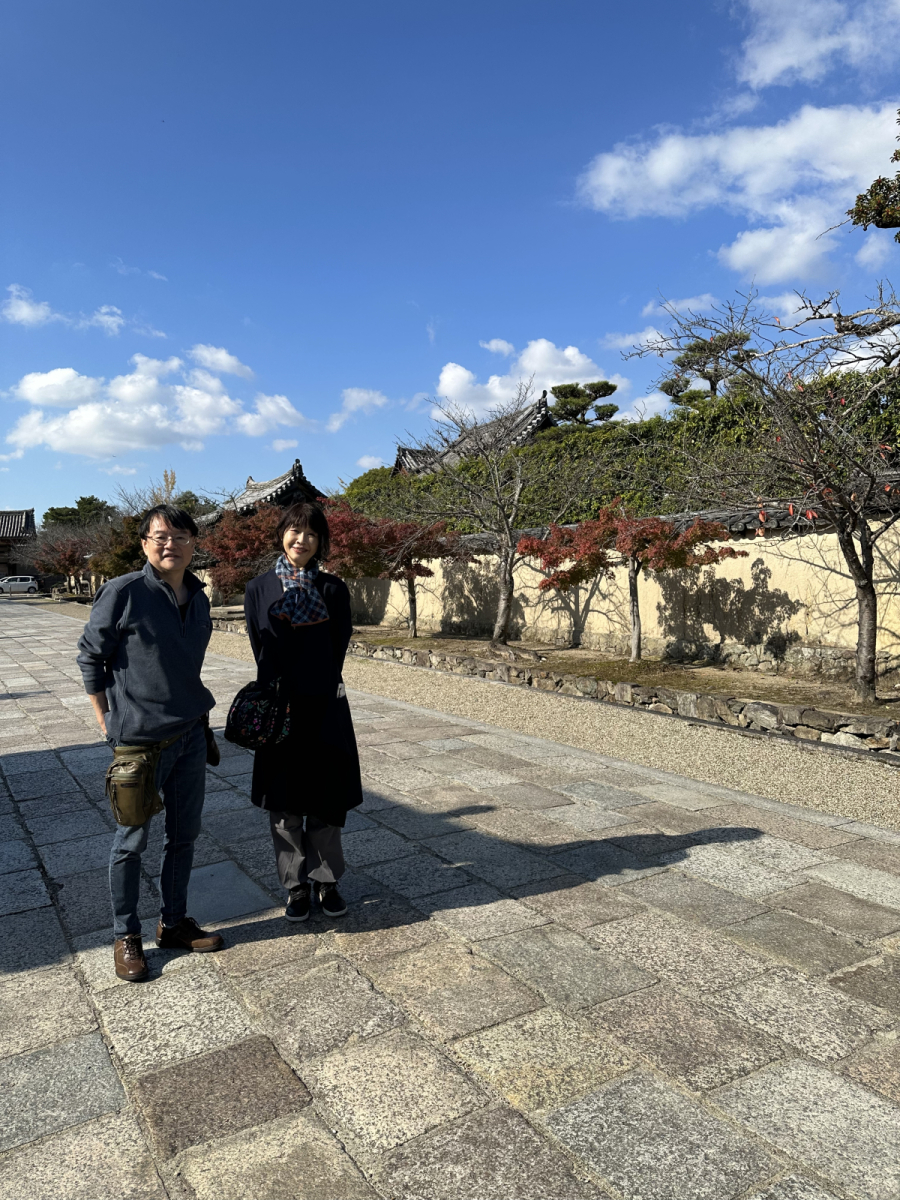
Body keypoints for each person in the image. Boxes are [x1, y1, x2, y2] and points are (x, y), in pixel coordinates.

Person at [77, 504, 224, 982]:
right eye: (160, 536)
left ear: (193, 544)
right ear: (144, 543)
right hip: (139, 742)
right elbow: (91, 656)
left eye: (181, 536)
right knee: (131, 841)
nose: (170, 544)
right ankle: (126, 934)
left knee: (184, 835)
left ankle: (174, 922)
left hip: (191, 733)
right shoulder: (123, 592)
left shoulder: (198, 597)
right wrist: (105, 719)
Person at [243, 500, 362, 922]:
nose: (302, 539)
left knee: (327, 799)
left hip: (325, 706)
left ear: (321, 541)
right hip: (280, 709)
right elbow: (259, 646)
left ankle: (326, 880)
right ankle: (295, 886)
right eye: (295, 530)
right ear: (282, 534)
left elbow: (338, 647)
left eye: (312, 533)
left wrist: (318, 682)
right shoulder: (258, 588)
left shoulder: (333, 589)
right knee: (284, 802)